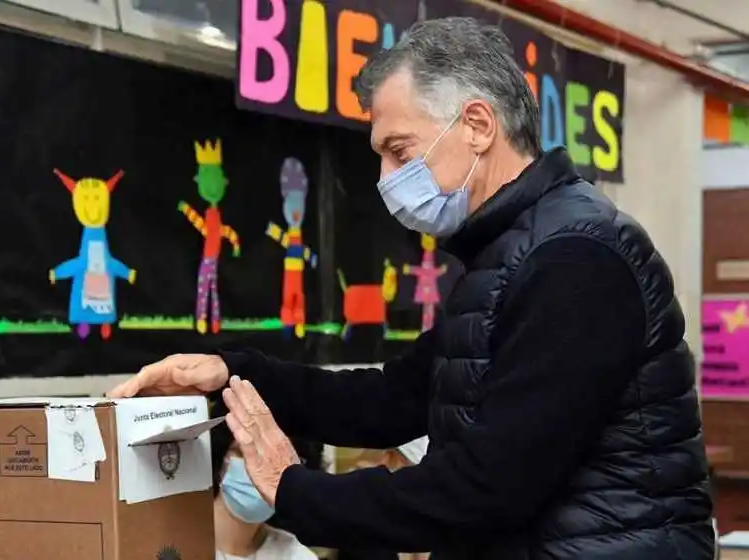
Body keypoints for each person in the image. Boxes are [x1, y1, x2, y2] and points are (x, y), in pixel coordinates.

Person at [109, 16, 714, 559]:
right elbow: (390, 399)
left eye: (399, 152)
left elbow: (488, 486)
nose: (385, 180)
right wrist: (231, 372)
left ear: (477, 124)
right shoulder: (507, 256)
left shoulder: (576, 258)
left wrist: (297, 492)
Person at [210, 399, 320, 560]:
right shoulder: (175, 542)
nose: (263, 471)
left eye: (278, 461)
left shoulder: (295, 555)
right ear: (221, 457)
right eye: (248, 453)